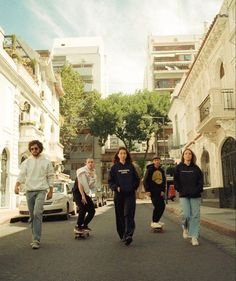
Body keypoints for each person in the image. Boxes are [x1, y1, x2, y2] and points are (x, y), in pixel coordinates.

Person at [15, 140, 54, 249]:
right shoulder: (27, 162)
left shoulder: (46, 161)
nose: (34, 150)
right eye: (32, 149)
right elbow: (22, 175)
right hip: (29, 191)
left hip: (41, 190)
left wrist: (51, 190)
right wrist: (16, 185)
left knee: (37, 213)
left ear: (40, 149)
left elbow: (51, 176)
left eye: (36, 148)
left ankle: (36, 239)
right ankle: (34, 234)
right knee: (32, 216)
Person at [108, 147, 140, 246]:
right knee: (120, 215)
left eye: (125, 153)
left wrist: (133, 187)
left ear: (127, 155)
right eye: (121, 153)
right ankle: (122, 234)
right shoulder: (114, 167)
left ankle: (129, 235)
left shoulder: (131, 166)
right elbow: (110, 181)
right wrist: (116, 188)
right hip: (119, 195)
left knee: (128, 213)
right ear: (118, 155)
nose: (123, 155)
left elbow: (137, 179)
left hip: (130, 194)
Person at [173, 148, 203, 246]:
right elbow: (176, 180)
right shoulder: (178, 167)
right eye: (186, 153)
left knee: (195, 216)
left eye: (189, 153)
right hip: (184, 195)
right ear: (183, 156)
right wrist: (179, 189)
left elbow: (200, 181)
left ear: (192, 156)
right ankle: (185, 227)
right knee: (186, 214)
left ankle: (194, 237)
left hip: (195, 195)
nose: (188, 155)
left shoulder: (196, 168)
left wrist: (197, 190)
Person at [73, 158, 96, 232]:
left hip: (86, 192)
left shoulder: (93, 172)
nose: (90, 163)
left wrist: (92, 177)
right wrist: (83, 196)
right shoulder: (82, 171)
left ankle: (84, 225)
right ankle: (78, 226)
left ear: (94, 164)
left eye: (92, 162)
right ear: (86, 163)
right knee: (82, 208)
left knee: (92, 210)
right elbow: (80, 184)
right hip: (78, 192)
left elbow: (91, 186)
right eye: (89, 162)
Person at [143, 156, 166, 229]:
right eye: (155, 160)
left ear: (160, 161)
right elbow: (145, 180)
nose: (157, 161)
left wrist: (163, 190)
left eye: (158, 160)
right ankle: (154, 221)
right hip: (152, 191)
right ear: (153, 161)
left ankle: (156, 220)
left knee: (162, 205)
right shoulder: (150, 170)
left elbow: (164, 181)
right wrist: (147, 190)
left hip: (160, 191)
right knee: (157, 206)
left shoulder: (161, 170)